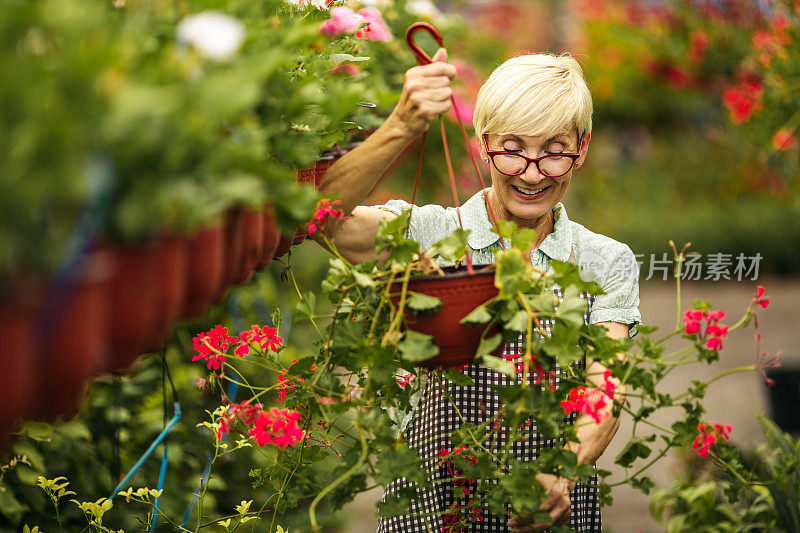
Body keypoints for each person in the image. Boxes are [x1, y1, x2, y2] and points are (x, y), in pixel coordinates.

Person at [316, 49, 641, 533]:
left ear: (583, 147)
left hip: (545, 511)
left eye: (554, 151)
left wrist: (564, 469)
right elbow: (324, 219)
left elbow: (604, 387)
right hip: (429, 509)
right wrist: (401, 126)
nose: (532, 173)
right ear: (483, 143)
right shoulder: (428, 235)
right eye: (512, 148)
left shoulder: (603, 260)